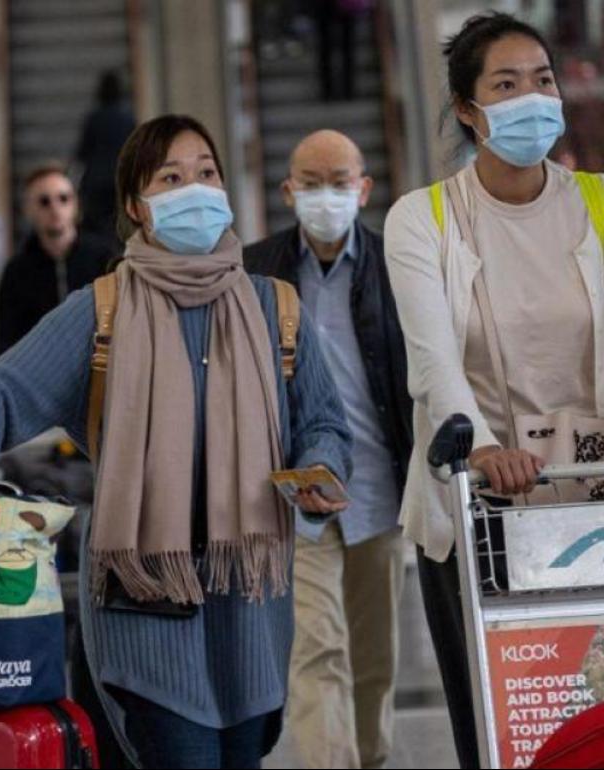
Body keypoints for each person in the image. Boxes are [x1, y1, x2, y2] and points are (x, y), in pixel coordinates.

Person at [0, 114, 353, 769]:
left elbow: (323, 422)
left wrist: (321, 466)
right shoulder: (101, 311)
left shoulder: (275, 307)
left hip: (249, 607)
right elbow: (0, 388)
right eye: (172, 177)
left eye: (206, 173)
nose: (196, 188)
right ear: (137, 206)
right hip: (143, 606)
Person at [384, 13, 604, 768]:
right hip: (484, 512)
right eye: (505, 86)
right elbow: (433, 362)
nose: (531, 99)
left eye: (542, 81)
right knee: (502, 727)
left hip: (592, 500)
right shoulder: (425, 219)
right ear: (469, 111)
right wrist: (479, 448)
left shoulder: (600, 205)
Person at [245, 129, 413, 769]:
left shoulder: (396, 265)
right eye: (310, 182)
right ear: (288, 191)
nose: (325, 195)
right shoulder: (258, 274)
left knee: (374, 655)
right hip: (296, 497)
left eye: (338, 181)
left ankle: (369, 755)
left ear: (363, 188)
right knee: (315, 648)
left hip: (377, 489)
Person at [0, 165, 112, 357]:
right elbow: (5, 345)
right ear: (28, 209)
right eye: (44, 201)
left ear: (75, 204)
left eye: (63, 198)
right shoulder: (16, 274)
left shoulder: (104, 259)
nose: (55, 207)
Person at [74, 69, 137, 247]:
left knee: (96, 230)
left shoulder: (94, 119)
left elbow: (82, 154)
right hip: (121, 183)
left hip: (96, 184)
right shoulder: (128, 119)